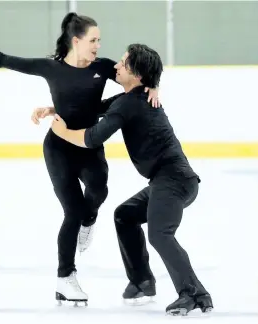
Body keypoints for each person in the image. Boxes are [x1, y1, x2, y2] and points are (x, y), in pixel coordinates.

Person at [0, 12, 160, 306]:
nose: (98, 45)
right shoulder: (50, 67)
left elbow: (136, 80)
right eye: (93, 40)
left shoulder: (103, 67)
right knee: (72, 211)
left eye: (99, 40)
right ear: (76, 41)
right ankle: (65, 279)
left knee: (99, 189)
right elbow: (7, 60)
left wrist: (154, 85)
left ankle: (89, 218)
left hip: (88, 144)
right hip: (58, 148)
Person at [51, 43, 213, 315]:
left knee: (160, 235)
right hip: (171, 180)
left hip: (173, 179)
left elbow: (91, 139)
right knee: (125, 215)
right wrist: (53, 108)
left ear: (137, 75)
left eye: (123, 63)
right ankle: (141, 281)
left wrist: (61, 131)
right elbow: (97, 110)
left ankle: (194, 293)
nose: (116, 66)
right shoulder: (131, 98)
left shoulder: (130, 103)